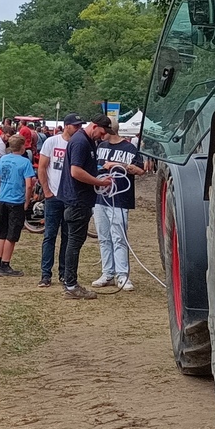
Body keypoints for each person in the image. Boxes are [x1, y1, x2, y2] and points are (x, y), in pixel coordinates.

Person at [91, 118, 150, 291]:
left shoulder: (129, 148)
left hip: (120, 199)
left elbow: (140, 170)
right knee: (103, 237)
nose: (101, 135)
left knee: (119, 237)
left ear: (110, 131)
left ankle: (122, 274)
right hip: (100, 199)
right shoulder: (101, 147)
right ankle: (107, 272)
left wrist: (117, 165)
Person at [54, 116, 108, 300]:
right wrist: (99, 182)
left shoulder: (87, 141)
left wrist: (100, 170)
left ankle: (69, 282)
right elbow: (75, 171)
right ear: (95, 126)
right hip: (77, 200)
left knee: (74, 242)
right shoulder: (80, 142)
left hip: (80, 199)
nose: (103, 135)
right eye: (102, 131)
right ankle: (70, 284)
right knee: (74, 243)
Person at [0, 137, 38, 276]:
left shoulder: (3, 159)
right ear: (22, 147)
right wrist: (27, 201)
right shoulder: (25, 162)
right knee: (12, 234)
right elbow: (29, 185)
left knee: (1, 232)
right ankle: (5, 264)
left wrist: (0, 191)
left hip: (3, 199)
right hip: (16, 201)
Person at [35, 122, 71, 287]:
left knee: (67, 236)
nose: (78, 129)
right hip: (53, 196)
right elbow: (42, 167)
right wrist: (47, 191)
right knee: (49, 235)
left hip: (69, 197)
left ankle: (64, 273)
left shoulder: (77, 143)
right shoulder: (52, 142)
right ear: (67, 126)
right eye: (75, 126)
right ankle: (45, 274)